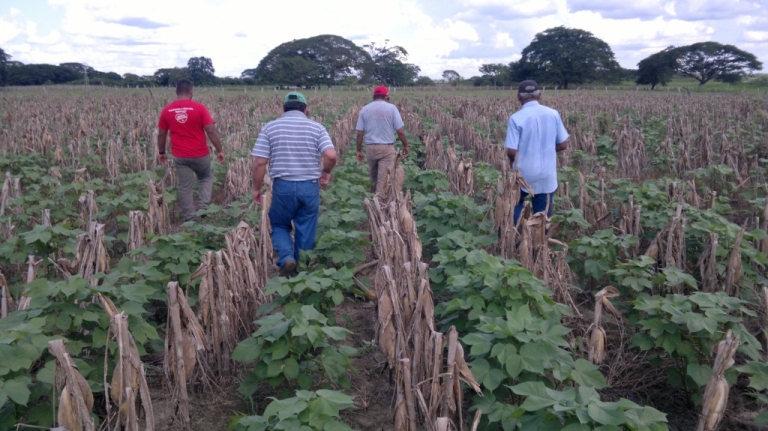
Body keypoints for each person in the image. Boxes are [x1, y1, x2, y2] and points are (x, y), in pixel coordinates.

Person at [251, 92, 337, 277]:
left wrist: (256, 188)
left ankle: (287, 257)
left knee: (280, 224)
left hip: (283, 187)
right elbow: (331, 155)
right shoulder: (317, 128)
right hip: (309, 186)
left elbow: (259, 163)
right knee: (306, 226)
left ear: (283, 109)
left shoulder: (270, 128)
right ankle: (301, 270)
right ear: (306, 109)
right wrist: (326, 172)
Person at [157, 79, 225, 223]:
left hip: (180, 156)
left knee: (184, 186)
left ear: (176, 92)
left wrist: (162, 152)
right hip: (201, 154)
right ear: (191, 92)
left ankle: (189, 219)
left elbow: (161, 134)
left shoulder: (167, 110)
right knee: (206, 178)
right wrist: (220, 150)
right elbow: (211, 131)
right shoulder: (199, 108)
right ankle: (202, 211)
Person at [505, 80, 569, 225]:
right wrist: (546, 150)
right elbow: (563, 144)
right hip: (547, 173)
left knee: (515, 202)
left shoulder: (516, 118)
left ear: (518, 97)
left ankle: (518, 235)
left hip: (523, 173)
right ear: (539, 96)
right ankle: (540, 243)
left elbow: (511, 150)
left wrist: (512, 162)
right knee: (543, 214)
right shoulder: (553, 114)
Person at [355, 86, 410, 198]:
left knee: (374, 179)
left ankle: (373, 204)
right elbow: (400, 131)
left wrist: (359, 150)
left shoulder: (365, 109)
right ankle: (380, 207)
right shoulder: (392, 108)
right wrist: (406, 146)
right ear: (386, 96)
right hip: (386, 149)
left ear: (373, 96)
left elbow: (360, 133)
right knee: (383, 183)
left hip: (370, 148)